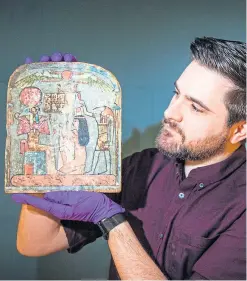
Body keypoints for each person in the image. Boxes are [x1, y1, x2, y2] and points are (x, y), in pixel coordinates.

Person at [12, 38, 246, 280]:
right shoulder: (144, 165)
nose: (170, 113)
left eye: (196, 108)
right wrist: (46, 154)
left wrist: (111, 220)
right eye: (176, 93)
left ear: (240, 129)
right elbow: (35, 244)